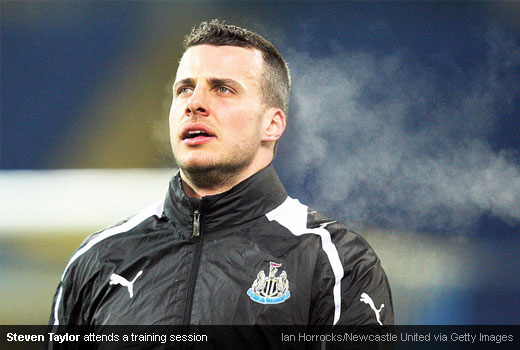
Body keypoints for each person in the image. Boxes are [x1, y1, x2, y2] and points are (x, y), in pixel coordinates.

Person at [49, 20, 393, 327]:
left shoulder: (335, 262)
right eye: (184, 88)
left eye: (222, 89)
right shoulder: (97, 259)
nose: (194, 103)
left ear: (272, 124)